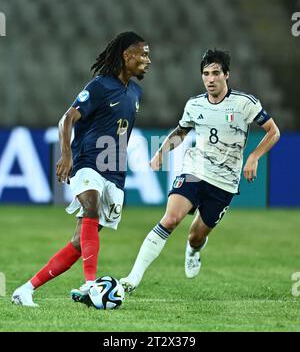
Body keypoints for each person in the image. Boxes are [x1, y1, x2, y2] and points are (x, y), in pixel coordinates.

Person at [120, 48, 280, 294]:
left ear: (226, 75)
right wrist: (161, 152)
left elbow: (273, 131)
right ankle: (132, 278)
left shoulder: (244, 103)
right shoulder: (194, 105)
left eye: (216, 73)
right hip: (195, 170)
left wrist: (254, 157)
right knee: (171, 219)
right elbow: (181, 132)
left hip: (225, 181)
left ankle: (193, 251)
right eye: (206, 74)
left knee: (196, 236)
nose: (210, 79)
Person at [11, 31, 151, 307]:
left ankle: (25, 289)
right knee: (91, 205)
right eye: (143, 54)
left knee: (78, 243)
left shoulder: (135, 92)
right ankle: (90, 285)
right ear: (127, 56)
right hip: (87, 160)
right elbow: (67, 119)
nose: (148, 59)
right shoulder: (99, 86)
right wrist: (66, 154)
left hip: (114, 170)